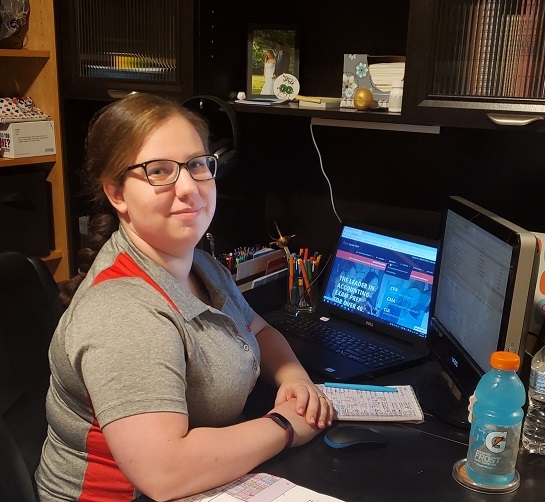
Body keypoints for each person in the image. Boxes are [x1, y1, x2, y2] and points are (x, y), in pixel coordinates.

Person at [35, 93, 333, 501]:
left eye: (196, 165)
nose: (189, 188)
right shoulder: (124, 313)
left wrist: (293, 378)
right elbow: (164, 473)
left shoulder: (200, 265)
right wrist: (282, 427)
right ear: (117, 193)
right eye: (158, 171)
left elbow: (256, 328)